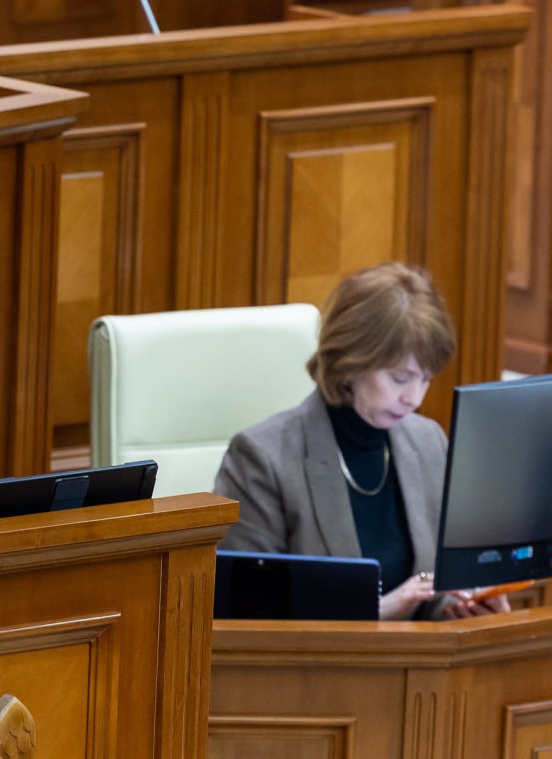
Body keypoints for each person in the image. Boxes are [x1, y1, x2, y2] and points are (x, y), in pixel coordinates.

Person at [213, 262, 507, 620]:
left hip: (417, 654)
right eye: (400, 378)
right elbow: (247, 617)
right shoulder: (262, 459)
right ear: (351, 361)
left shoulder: (428, 441)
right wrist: (377, 613)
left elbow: (434, 589)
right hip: (321, 659)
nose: (414, 398)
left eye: (426, 379)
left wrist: (463, 607)